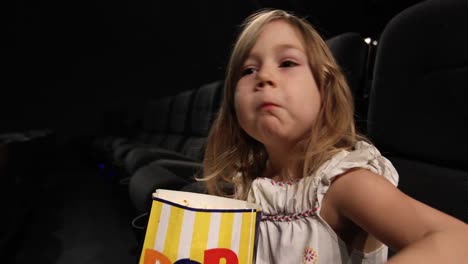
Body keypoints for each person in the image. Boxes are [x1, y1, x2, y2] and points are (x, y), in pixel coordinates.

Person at [201, 8, 468, 264]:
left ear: (325, 91)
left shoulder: (342, 184)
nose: (264, 77)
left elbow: (458, 241)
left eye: (287, 63)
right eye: (248, 70)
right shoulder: (246, 181)